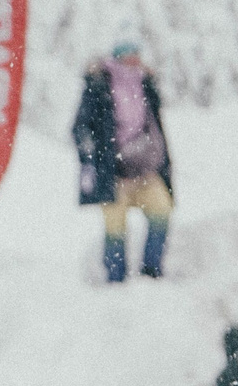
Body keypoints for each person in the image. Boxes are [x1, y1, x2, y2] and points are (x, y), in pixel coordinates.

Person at [71, 39, 173, 282]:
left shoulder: (145, 84)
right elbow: (80, 128)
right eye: (129, 55)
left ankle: (152, 272)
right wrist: (90, 162)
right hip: (112, 174)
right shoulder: (99, 85)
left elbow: (155, 125)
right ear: (118, 58)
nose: (134, 60)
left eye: (136, 54)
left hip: (146, 171)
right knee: (115, 228)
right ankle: (115, 280)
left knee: (162, 211)